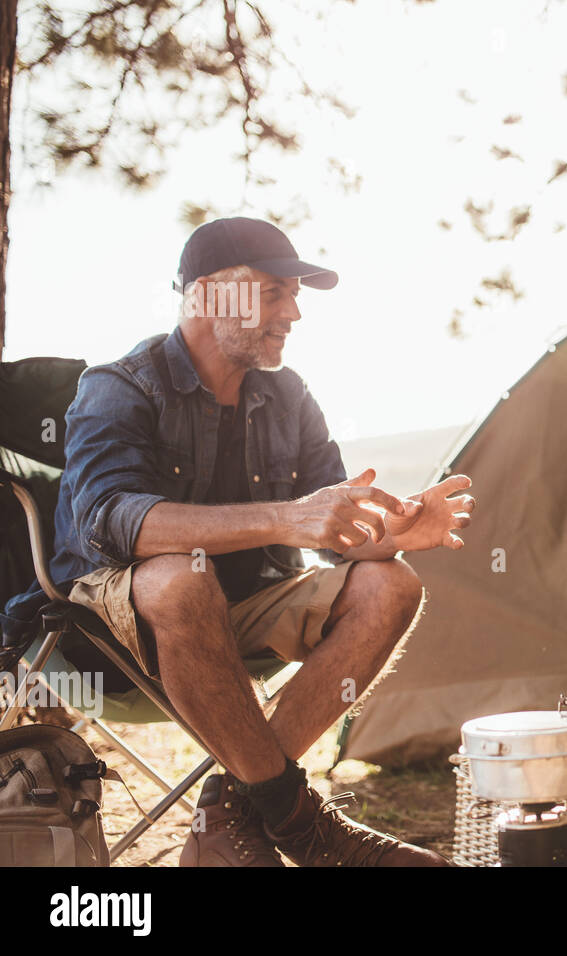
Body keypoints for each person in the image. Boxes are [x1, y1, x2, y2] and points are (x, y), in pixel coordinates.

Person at [6, 217, 475, 866]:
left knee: (391, 584)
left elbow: (330, 533)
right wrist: (290, 519)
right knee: (180, 578)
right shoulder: (120, 386)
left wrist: (387, 535)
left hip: (243, 609)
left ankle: (237, 804)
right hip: (108, 630)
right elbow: (110, 521)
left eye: (296, 293)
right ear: (205, 296)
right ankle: (302, 825)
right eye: (275, 291)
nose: (295, 312)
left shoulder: (289, 396)